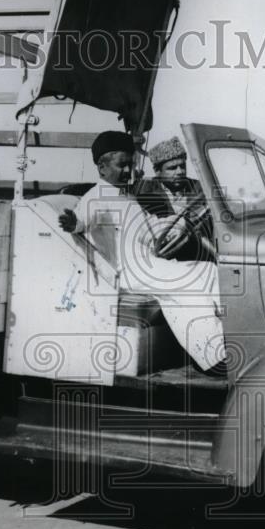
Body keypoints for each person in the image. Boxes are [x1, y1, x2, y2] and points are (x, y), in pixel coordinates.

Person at [58, 131, 225, 373]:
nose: (128, 171)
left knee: (207, 269)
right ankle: (213, 357)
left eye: (130, 164)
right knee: (189, 282)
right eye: (121, 165)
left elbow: (150, 229)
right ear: (102, 168)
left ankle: (223, 340)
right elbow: (83, 220)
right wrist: (73, 222)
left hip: (148, 264)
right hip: (127, 273)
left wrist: (178, 224)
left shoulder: (127, 197)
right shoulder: (95, 197)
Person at [132, 135, 213, 261]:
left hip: (197, 256)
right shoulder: (144, 191)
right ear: (157, 171)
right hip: (162, 262)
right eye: (172, 168)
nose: (180, 171)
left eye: (182, 166)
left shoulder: (200, 188)